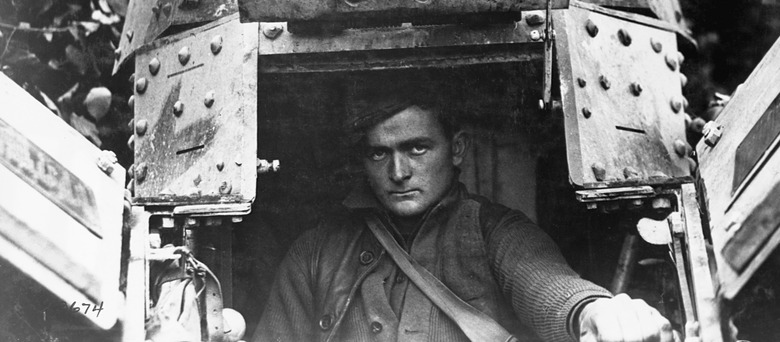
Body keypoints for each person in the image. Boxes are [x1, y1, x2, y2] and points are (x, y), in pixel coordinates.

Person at [253, 84, 675, 342]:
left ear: (456, 149)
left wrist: (599, 313)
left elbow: (554, 289)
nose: (398, 172)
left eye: (417, 148)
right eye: (379, 153)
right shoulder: (315, 253)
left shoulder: (496, 232)